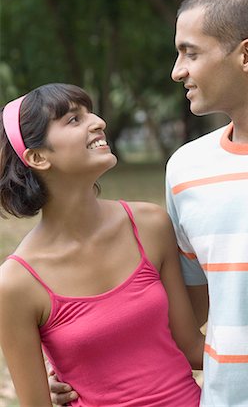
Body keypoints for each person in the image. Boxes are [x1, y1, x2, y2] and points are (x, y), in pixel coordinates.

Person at [48, 0, 248, 406]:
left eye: (191, 52)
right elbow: (185, 322)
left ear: (247, 54)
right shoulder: (186, 169)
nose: (176, 70)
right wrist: (85, 365)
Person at [0, 83, 204, 407]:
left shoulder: (151, 225)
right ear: (38, 157)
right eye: (73, 120)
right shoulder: (15, 283)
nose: (98, 122)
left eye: (89, 112)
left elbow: (192, 347)